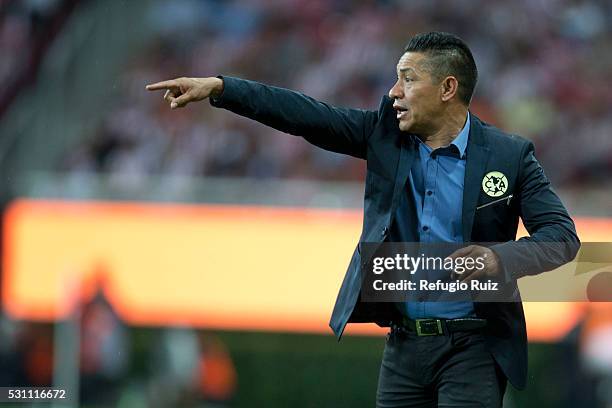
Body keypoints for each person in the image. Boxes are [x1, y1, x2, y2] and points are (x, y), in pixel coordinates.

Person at [146, 32, 580, 407]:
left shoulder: (509, 156)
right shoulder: (384, 135)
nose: (394, 91)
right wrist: (223, 88)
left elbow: (562, 238)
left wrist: (499, 259)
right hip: (403, 346)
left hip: (475, 345)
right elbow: (306, 116)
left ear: (448, 87)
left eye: (408, 79)